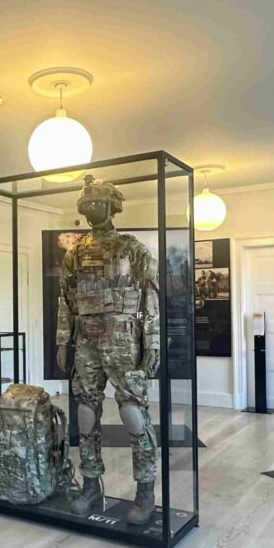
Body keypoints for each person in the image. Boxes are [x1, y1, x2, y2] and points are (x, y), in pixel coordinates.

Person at [56, 175, 159, 525]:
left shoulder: (132, 249)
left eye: (98, 203)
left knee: (132, 413)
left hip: (124, 341)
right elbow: (65, 299)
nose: (92, 209)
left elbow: (151, 295)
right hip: (87, 341)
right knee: (86, 412)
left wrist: (152, 339)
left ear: (113, 207)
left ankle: (145, 490)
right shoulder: (75, 253)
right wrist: (62, 339)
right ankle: (90, 484)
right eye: (87, 204)